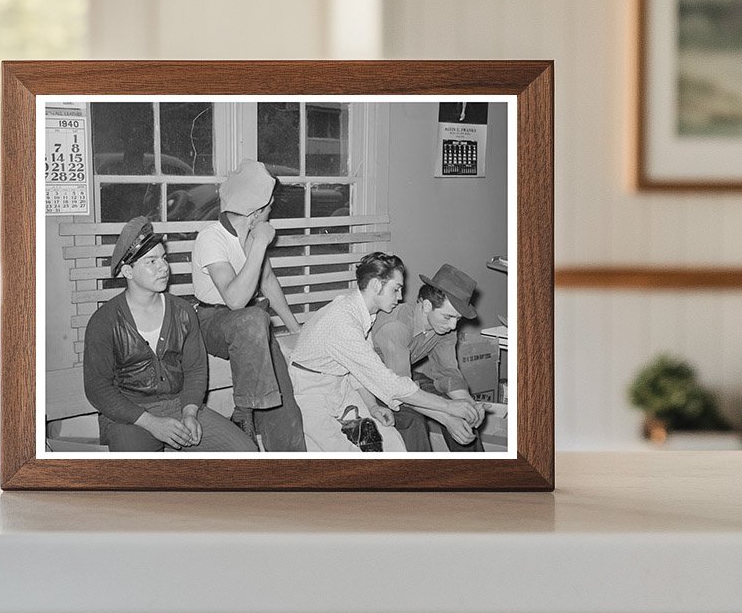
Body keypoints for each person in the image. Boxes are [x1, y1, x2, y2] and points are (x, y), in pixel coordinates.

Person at [83, 216, 256, 453]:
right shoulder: (104, 321)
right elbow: (98, 389)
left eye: (164, 258)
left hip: (179, 406)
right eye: (151, 261)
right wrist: (152, 424)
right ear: (128, 271)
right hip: (129, 415)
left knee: (245, 452)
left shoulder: (183, 311)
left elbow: (195, 370)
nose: (164, 267)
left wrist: (190, 412)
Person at [288, 252, 480, 452]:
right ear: (375, 285)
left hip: (343, 386)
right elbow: (390, 384)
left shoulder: (363, 313)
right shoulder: (344, 322)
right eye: (395, 289)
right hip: (310, 392)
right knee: (343, 452)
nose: (400, 297)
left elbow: (355, 370)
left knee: (390, 442)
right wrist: (449, 408)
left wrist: (372, 407)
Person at [190, 159, 306, 451]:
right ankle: (244, 413)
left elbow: (267, 282)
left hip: (252, 327)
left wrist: (297, 330)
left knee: (285, 406)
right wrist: (259, 245)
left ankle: (291, 469)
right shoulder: (211, 237)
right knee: (253, 318)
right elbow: (235, 299)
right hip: (212, 322)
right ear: (255, 213)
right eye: (269, 208)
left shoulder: (252, 236)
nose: (271, 213)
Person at [370, 262, 488, 452]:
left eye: (457, 319)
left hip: (403, 378)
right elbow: (399, 390)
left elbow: (447, 373)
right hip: (373, 385)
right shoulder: (396, 326)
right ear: (426, 306)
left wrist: (469, 405)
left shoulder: (444, 328)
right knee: (412, 420)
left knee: (461, 411)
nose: (453, 326)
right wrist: (447, 417)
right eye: (447, 317)